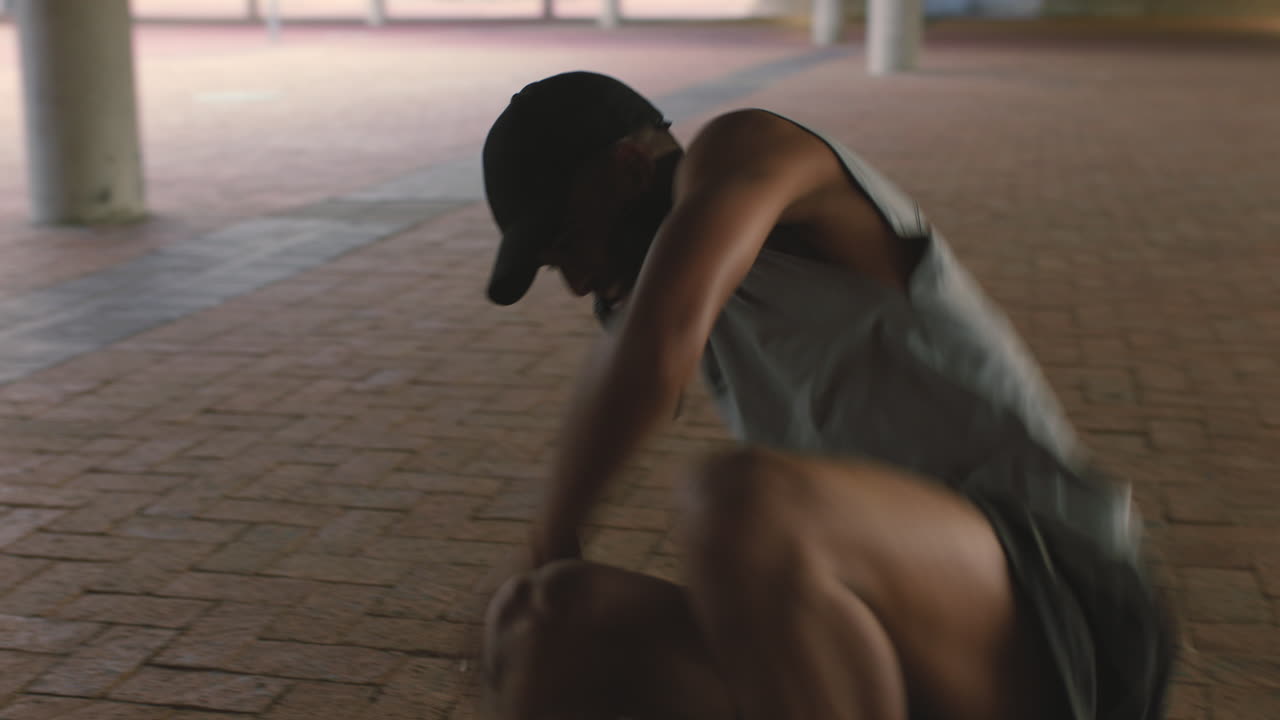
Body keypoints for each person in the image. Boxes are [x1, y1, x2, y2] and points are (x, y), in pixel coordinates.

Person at [477, 70, 1174, 720]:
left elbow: (657, 349)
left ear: (630, 170)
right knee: (543, 618)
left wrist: (551, 534)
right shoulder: (638, 292)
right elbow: (629, 354)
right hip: (876, 631)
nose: (572, 283)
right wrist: (545, 558)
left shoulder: (748, 150)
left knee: (742, 499)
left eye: (567, 243)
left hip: (1062, 599)